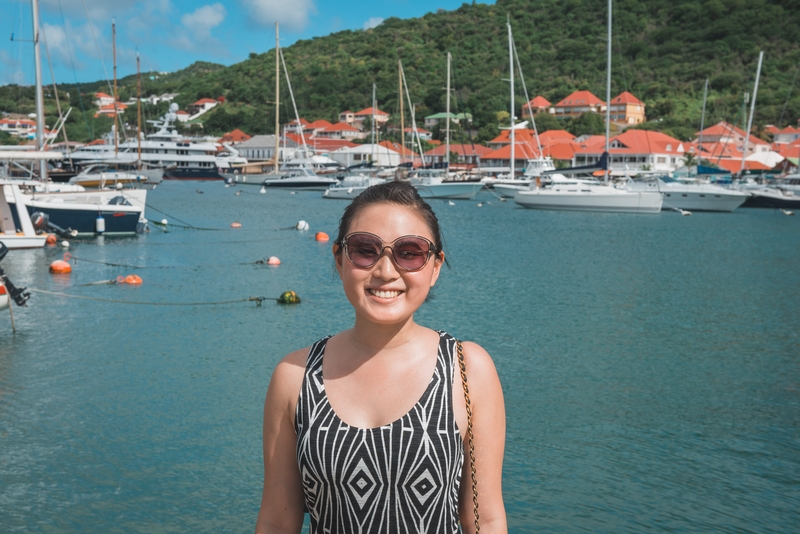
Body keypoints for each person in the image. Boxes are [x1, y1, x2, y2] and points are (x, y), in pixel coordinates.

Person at [255, 182, 506, 533]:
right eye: (365, 250)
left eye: (410, 252)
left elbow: (485, 520)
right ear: (340, 259)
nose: (386, 271)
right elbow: (277, 522)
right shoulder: (295, 376)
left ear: (435, 267)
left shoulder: (467, 369)